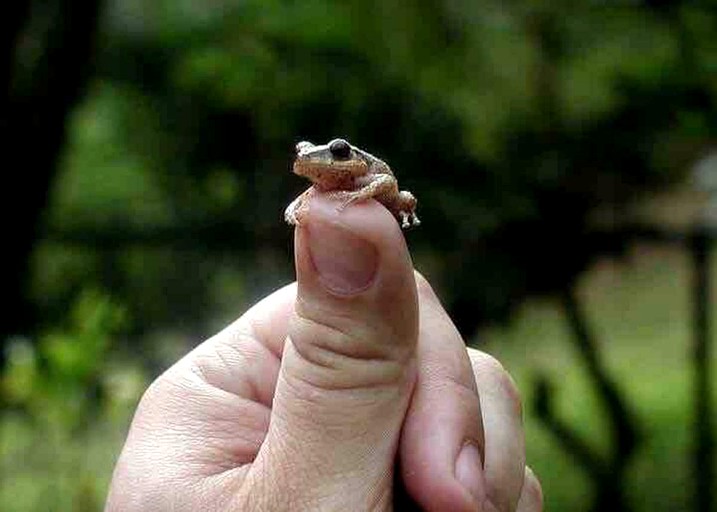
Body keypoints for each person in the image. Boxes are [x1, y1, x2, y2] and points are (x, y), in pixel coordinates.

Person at [104, 195, 542, 511]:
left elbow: (385, 183)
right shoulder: (321, 193)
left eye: (329, 154)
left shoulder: (360, 181)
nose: (314, 163)